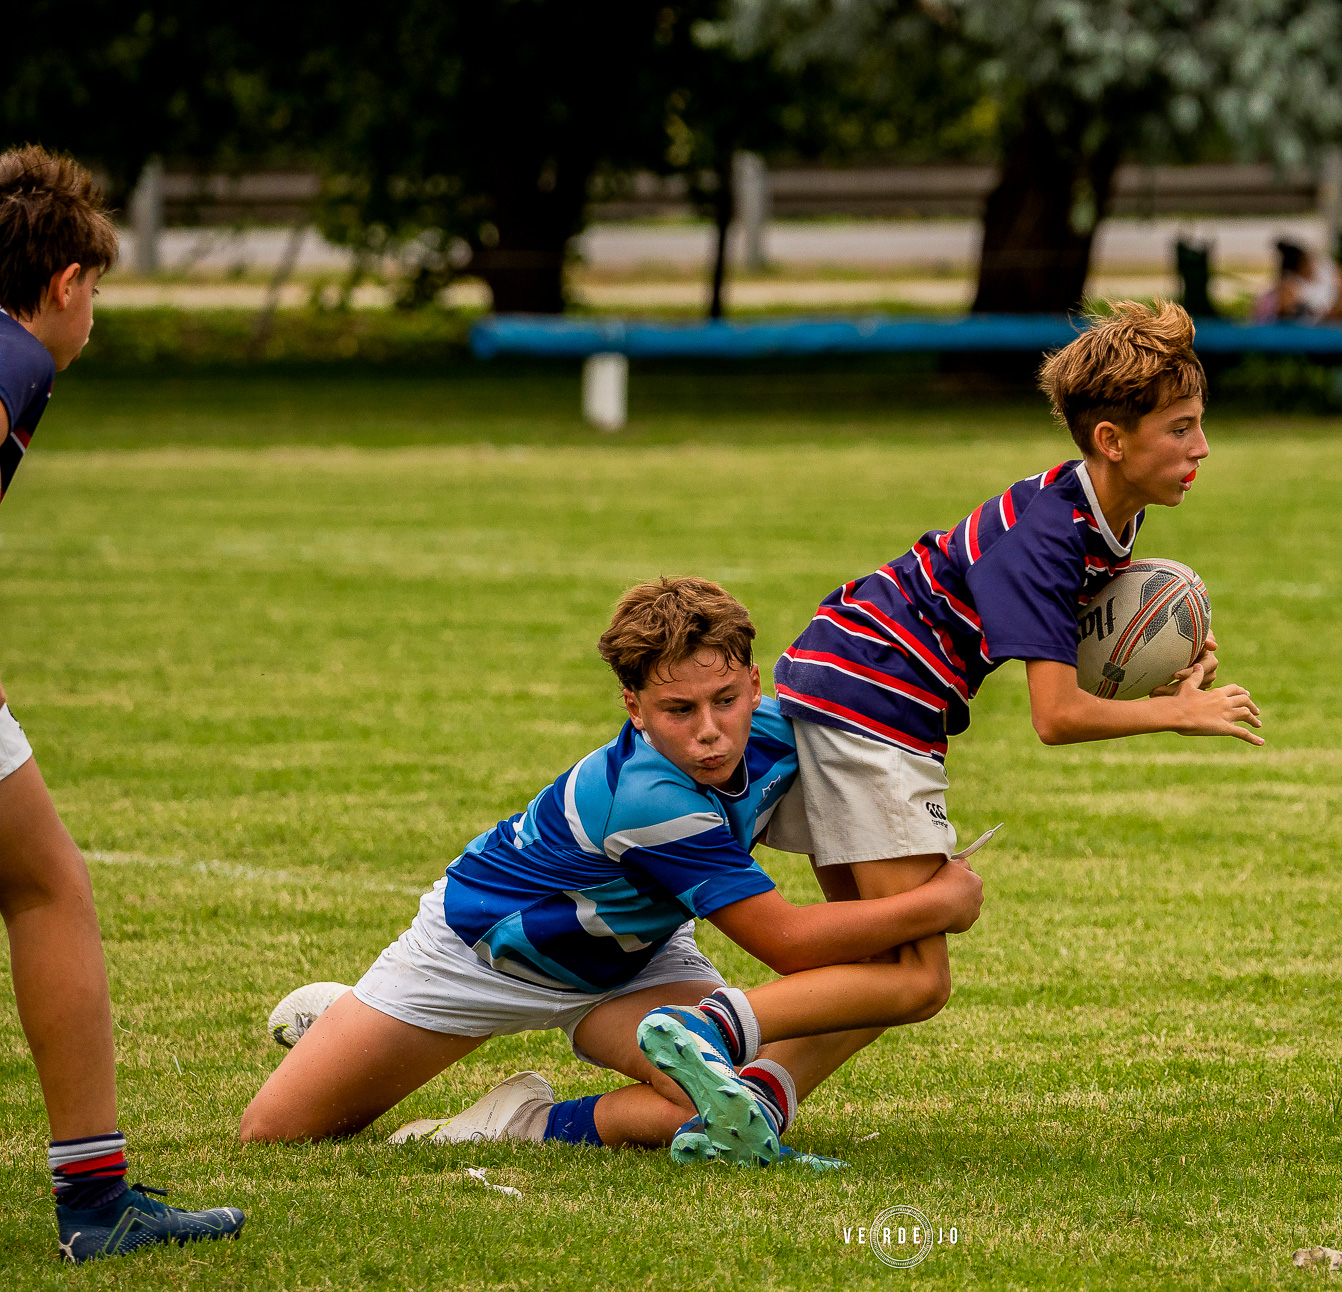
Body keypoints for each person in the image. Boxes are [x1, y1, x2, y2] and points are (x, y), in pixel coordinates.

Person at [239, 578, 984, 1165]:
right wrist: (942, 899)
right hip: (479, 958)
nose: (708, 731)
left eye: (726, 700)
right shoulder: (646, 797)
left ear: (757, 685)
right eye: (677, 709)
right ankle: (350, 1020)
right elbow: (786, 943)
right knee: (276, 1133)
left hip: (639, 961)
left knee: (718, 1107)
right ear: (633, 706)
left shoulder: (776, 734)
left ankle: (523, 1123)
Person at [763, 299, 1263, 1087]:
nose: (1202, 446)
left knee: (873, 958)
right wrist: (1178, 713)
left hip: (852, 680)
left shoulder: (1094, 510)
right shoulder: (1050, 535)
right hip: (876, 701)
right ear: (1113, 440)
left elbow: (1079, 643)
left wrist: (1160, 674)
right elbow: (1056, 717)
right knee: (918, 978)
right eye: (1181, 428)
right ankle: (715, 1032)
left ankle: (750, 1097)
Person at [0, 147, 247, 1263]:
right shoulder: (12, 356)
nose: (93, 309)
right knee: (47, 886)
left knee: (39, 874)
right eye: (95, 288)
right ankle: (96, 1204)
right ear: (63, 283)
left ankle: (98, 1194)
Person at [1257, 240, 1342, 321]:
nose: (1310, 266)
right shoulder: (1290, 285)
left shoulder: (1325, 268)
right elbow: (1286, 312)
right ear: (1299, 267)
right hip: (1322, 321)